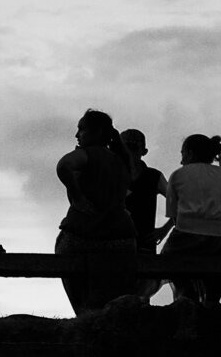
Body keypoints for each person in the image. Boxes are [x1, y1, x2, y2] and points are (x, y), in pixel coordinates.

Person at [55, 109, 136, 314]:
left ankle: (81, 312)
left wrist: (78, 196)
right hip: (122, 239)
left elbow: (63, 165)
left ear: (96, 132)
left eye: (81, 129)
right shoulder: (122, 162)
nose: (77, 135)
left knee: (62, 247)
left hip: (86, 236)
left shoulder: (88, 154)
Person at [160, 134, 221, 304]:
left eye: (183, 154)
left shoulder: (178, 175)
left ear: (190, 153)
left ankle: (186, 298)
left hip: (186, 238)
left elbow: (174, 216)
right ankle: (212, 301)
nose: (181, 161)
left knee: (165, 260)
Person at [121, 129, 171, 298]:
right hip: (116, 243)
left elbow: (180, 203)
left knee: (141, 295)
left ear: (144, 151)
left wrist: (164, 229)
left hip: (144, 245)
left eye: (133, 147)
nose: (129, 151)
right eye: (125, 146)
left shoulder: (154, 176)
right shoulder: (113, 174)